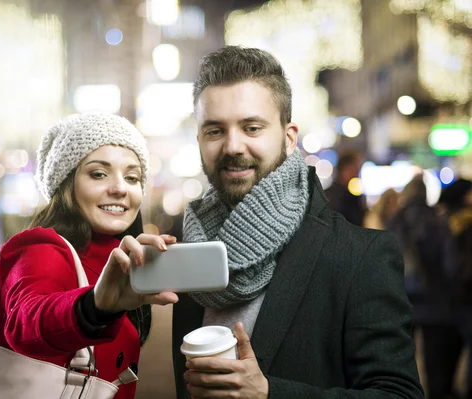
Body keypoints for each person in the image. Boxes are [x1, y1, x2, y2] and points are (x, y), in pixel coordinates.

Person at [172, 46, 423, 399]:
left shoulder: (361, 255)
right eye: (215, 131)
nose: (232, 145)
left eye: (252, 127)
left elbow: (400, 394)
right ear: (200, 140)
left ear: (289, 138)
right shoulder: (190, 254)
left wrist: (269, 394)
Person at [0, 113, 178, 399]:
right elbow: (27, 322)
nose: (121, 188)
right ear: (66, 184)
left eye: (132, 177)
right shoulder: (42, 247)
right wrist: (93, 308)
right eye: (98, 173)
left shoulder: (118, 257)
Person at [388, 175, 459, 399]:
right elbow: (451, 265)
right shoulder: (438, 220)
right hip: (435, 302)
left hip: (400, 300)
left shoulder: (395, 220)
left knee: (399, 361)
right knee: (435, 364)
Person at [438, 178, 472, 399]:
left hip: (445, 298)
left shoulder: (440, 221)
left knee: (445, 357)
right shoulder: (465, 222)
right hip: (464, 296)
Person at [325, 150, 367, 226]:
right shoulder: (334, 197)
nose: (357, 175)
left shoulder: (353, 195)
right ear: (345, 169)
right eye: (356, 169)